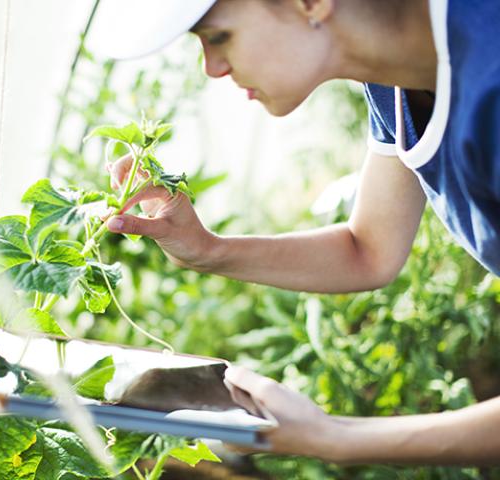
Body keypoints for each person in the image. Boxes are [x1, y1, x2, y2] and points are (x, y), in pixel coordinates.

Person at [89, 0, 500, 465]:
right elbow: (369, 249)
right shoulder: (395, 77)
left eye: (218, 36)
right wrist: (206, 250)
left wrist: (336, 438)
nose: (212, 67)